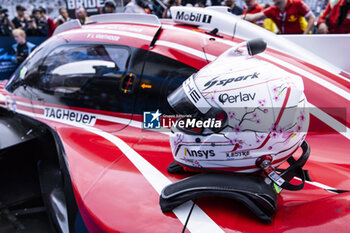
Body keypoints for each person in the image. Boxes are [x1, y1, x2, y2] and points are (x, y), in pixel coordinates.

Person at [242, 0, 315, 34]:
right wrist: (234, 17)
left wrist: (304, 35)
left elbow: (312, 18)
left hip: (302, 37)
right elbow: (253, 17)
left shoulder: (297, 3)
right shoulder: (272, 10)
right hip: (285, 38)